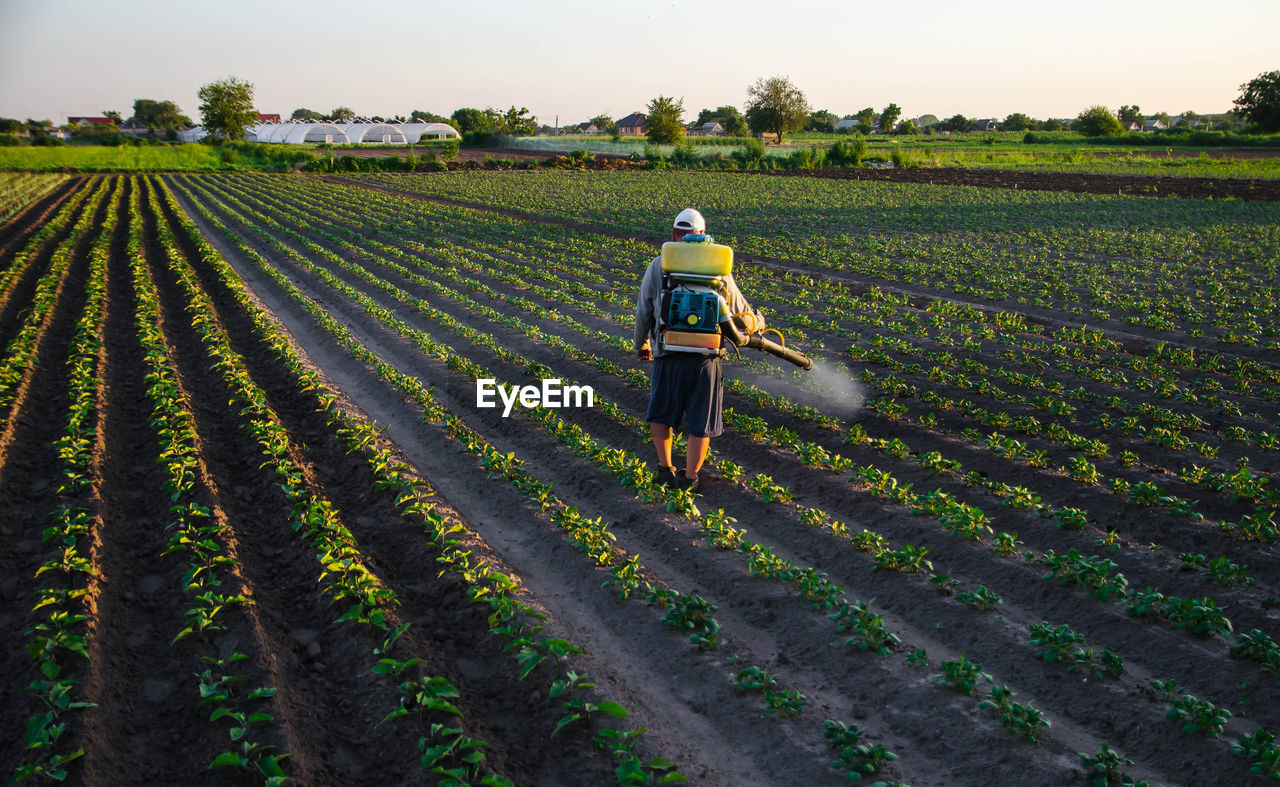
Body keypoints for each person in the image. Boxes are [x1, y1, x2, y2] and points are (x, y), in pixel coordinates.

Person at [634, 208, 764, 491]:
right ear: (704, 236)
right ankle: (690, 477)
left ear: (673, 235)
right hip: (706, 358)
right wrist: (759, 323)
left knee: (661, 413)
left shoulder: (659, 265)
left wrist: (642, 344)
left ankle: (664, 468)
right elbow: (742, 313)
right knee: (700, 419)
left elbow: (644, 309)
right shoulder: (717, 267)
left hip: (668, 352)